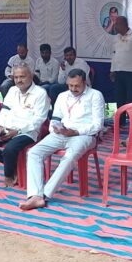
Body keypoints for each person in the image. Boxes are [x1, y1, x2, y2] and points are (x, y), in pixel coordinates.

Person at [20, 69, 104, 210]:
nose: (73, 89)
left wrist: (75, 132)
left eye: (77, 86)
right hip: (61, 133)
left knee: (69, 157)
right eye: (70, 85)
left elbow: (97, 125)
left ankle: (44, 196)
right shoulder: (62, 96)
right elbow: (55, 118)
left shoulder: (95, 95)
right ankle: (34, 194)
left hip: (84, 135)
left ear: (85, 82)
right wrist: (55, 129)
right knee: (34, 152)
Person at [0, 65, 50, 187]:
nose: (18, 80)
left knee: (9, 149)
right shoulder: (12, 90)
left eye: (22, 77)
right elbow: (4, 111)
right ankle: (15, 165)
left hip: (27, 131)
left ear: (31, 76)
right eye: (16, 77)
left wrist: (18, 131)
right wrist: (0, 126)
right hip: (7, 127)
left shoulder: (40, 93)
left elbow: (39, 120)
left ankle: (8, 175)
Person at [110, 16, 132, 116]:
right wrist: (112, 70)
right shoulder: (116, 38)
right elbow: (114, 54)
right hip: (118, 72)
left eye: (117, 24)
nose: (115, 26)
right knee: (118, 98)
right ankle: (120, 121)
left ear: (124, 24)